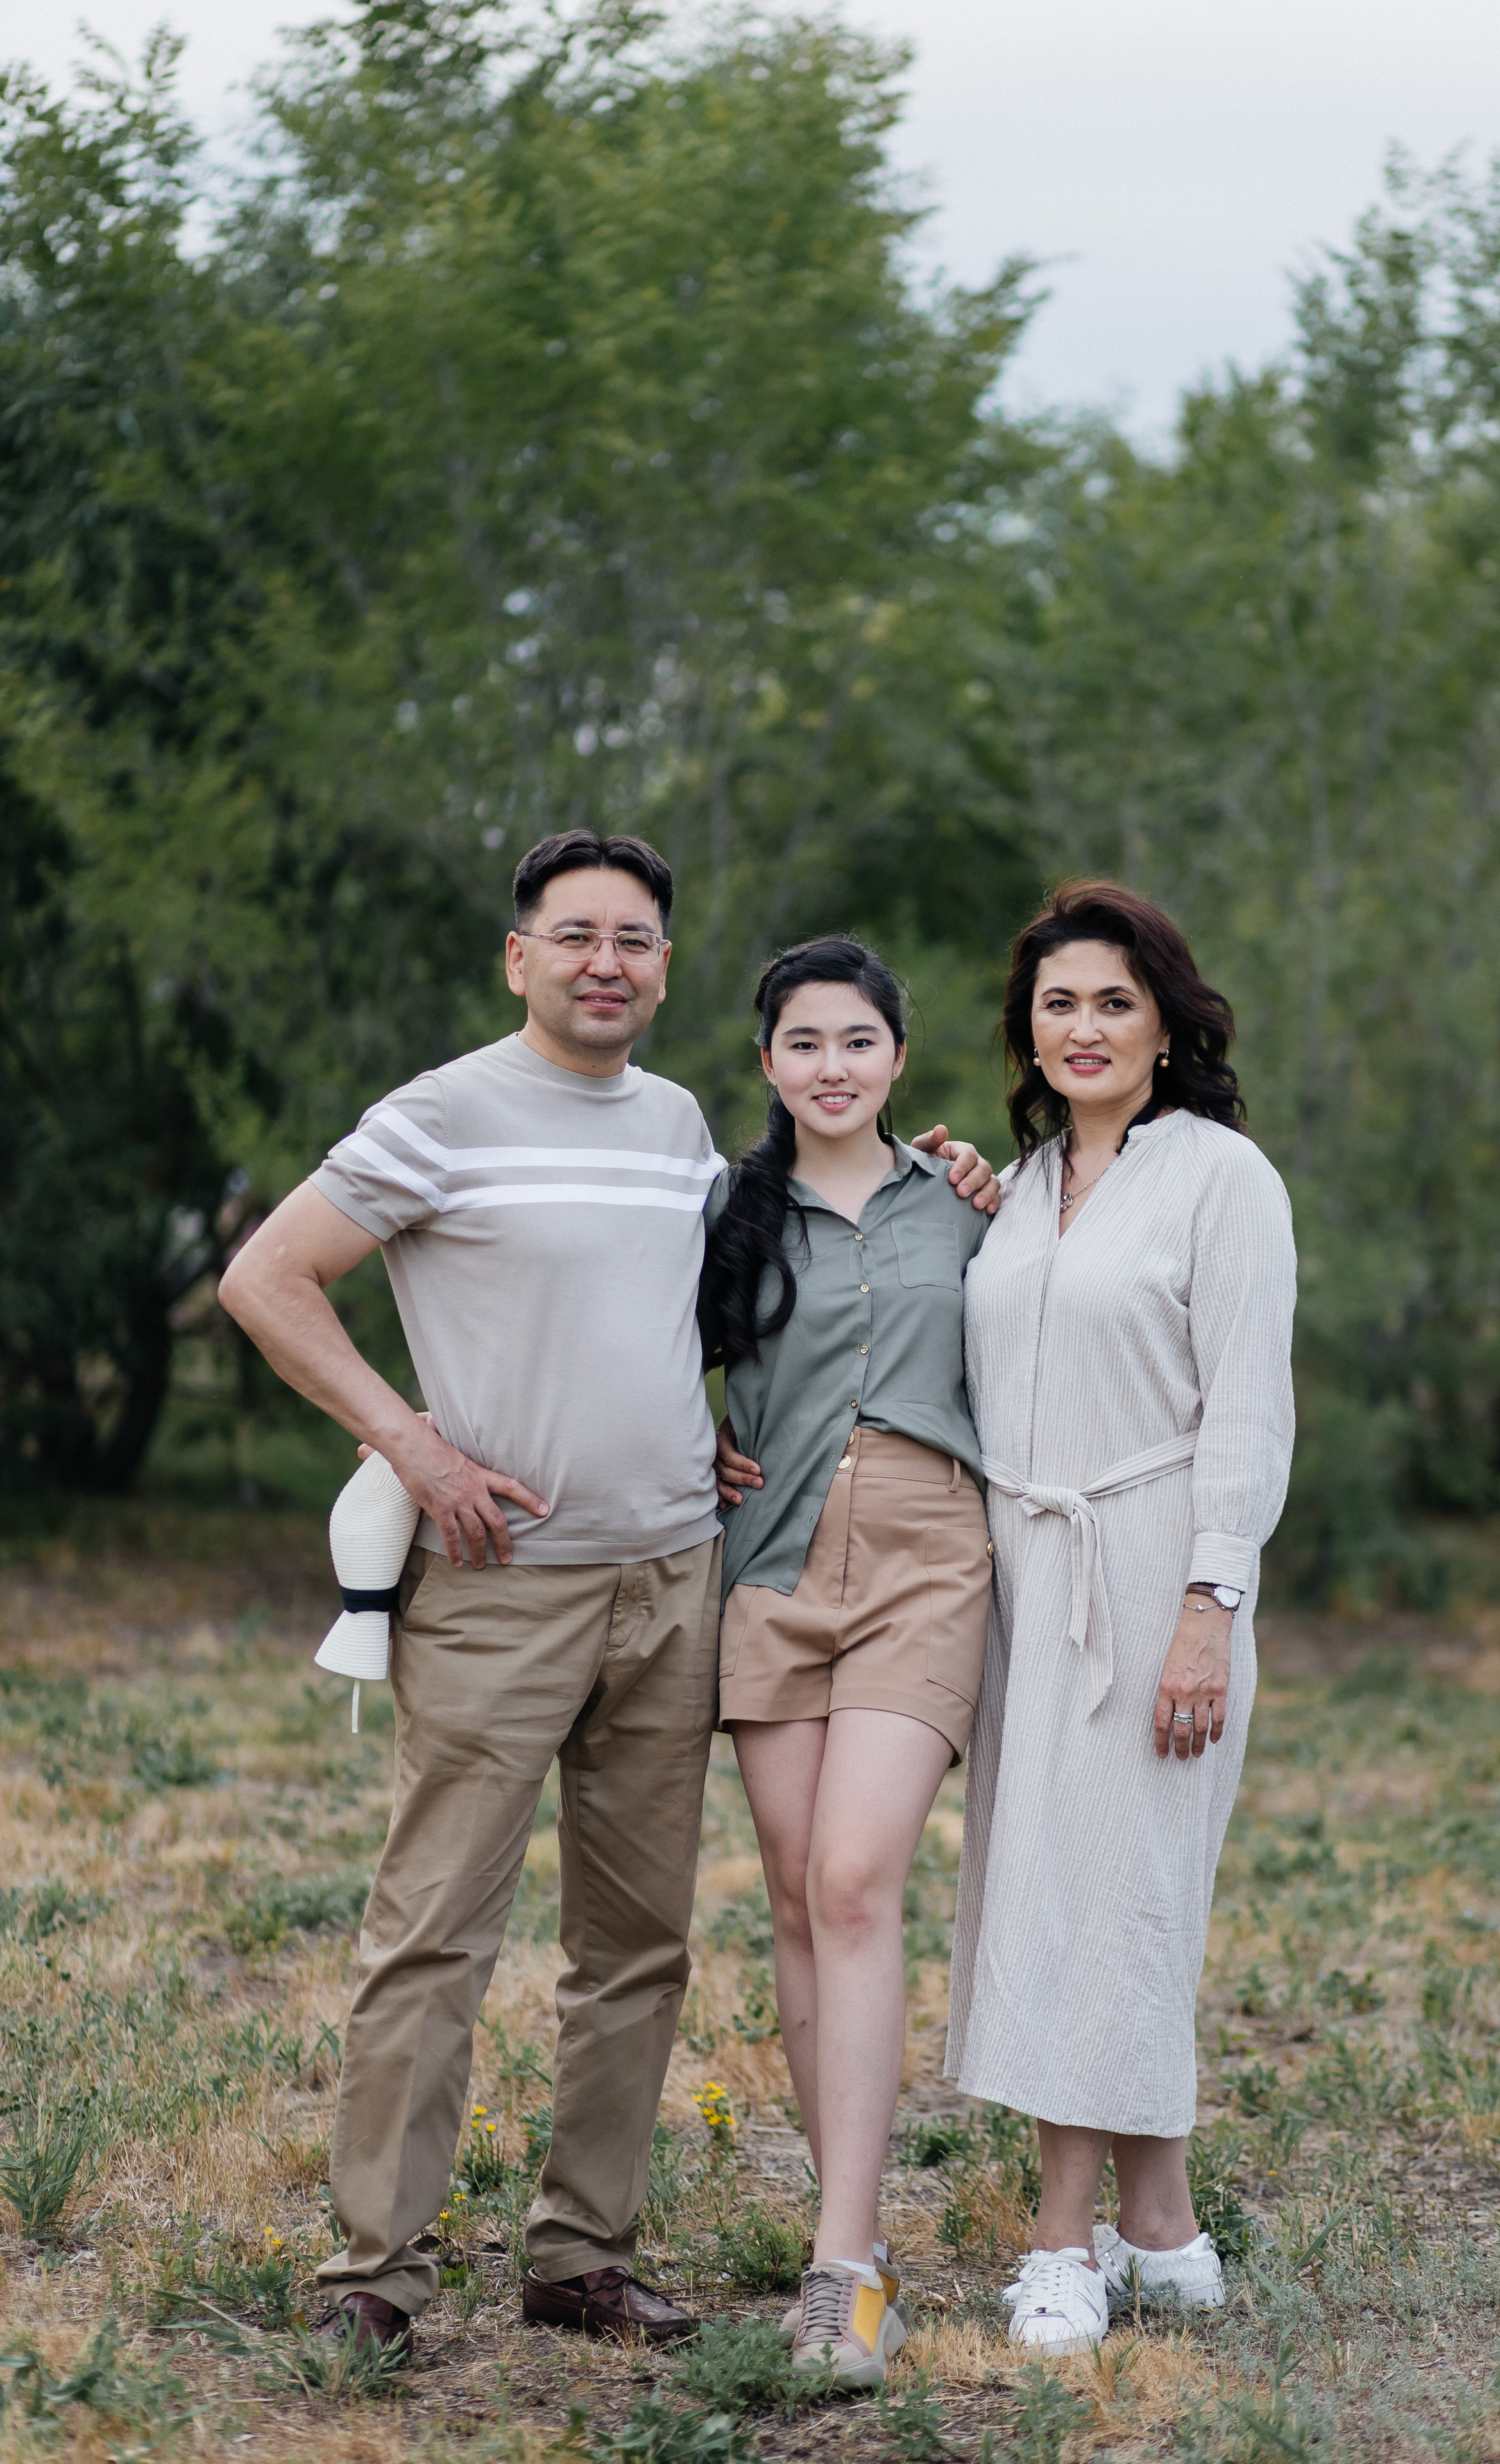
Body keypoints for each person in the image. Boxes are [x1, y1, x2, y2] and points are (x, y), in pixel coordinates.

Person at [218, 833, 998, 2360]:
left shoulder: (682, 1128)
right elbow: (265, 1278)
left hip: (677, 1582)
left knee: (636, 1945)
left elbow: (742, 1293)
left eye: (634, 939)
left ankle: (581, 2249)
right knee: (436, 1927)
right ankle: (373, 2271)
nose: (604, 962)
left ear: (662, 967)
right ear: (519, 957)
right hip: (503, 1584)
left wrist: (950, 1174)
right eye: (573, 934)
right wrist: (410, 1441)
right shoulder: (441, 1114)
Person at [944, 880, 1295, 2356]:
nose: (1080, 1027)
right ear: (1026, 1031)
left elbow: (1248, 1409)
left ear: (1164, 1024)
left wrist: (1209, 1607)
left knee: (1111, 1901)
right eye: (1055, 1003)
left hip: (1154, 1571)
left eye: (1111, 1001)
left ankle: (1059, 2247)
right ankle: (1161, 2227)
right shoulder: (1024, 1190)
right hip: (1027, 1571)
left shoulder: (1221, 1178)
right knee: (1054, 1894)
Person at [701, 939, 995, 2390]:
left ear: (896, 1058)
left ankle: (836, 2271)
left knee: (854, 1878)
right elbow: (641, 1348)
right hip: (769, 1564)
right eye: (802, 1043)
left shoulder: (965, 1203)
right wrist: (682, 1434)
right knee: (795, 1901)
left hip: (930, 1559)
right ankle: (858, 2242)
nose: (831, 1066)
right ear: (767, 1065)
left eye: (857, 1041)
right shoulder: (724, 1209)